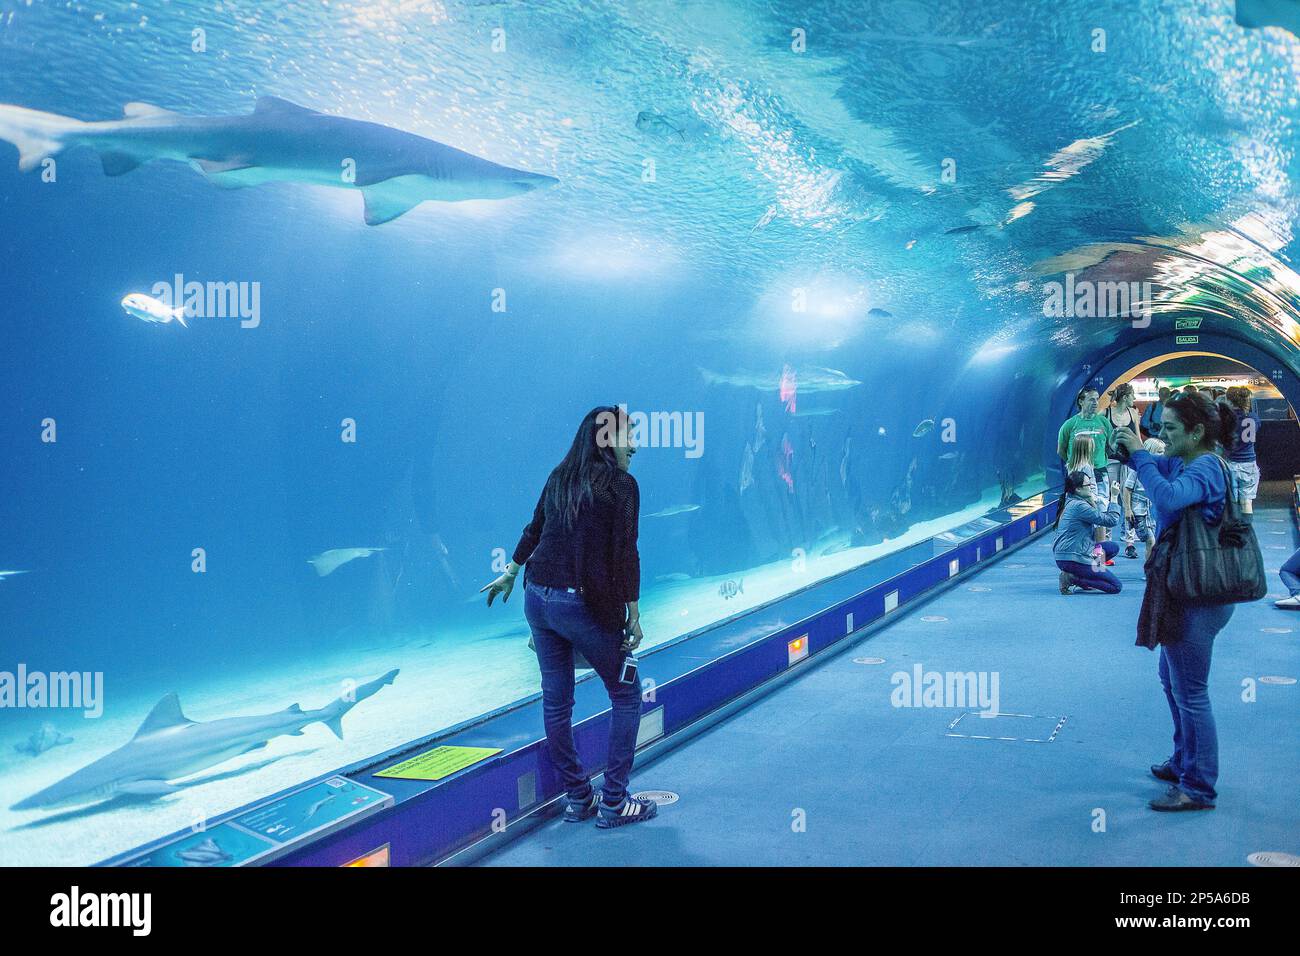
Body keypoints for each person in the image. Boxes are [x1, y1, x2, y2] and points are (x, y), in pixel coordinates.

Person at [481, 405, 658, 828]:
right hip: (578, 603)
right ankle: (614, 801)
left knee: (557, 701)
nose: (634, 444)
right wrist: (631, 613)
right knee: (627, 694)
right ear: (604, 438)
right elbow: (625, 553)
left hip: (537, 599)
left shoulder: (560, 476)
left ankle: (580, 798)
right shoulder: (621, 485)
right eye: (627, 435)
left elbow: (535, 528)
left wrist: (510, 571)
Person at [1114, 391, 1237, 812]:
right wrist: (1135, 451)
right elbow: (1162, 470)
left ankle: (1198, 786)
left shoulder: (1204, 467)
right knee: (1172, 679)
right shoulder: (1189, 461)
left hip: (1197, 594)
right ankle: (1185, 760)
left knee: (1191, 692)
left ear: (1197, 431)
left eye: (1169, 429)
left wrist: (1142, 458)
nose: (1160, 436)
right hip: (1189, 589)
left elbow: (1166, 497)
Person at [1053, 469, 1123, 594]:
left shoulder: (1073, 501)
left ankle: (1092, 572)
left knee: (1112, 547)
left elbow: (1098, 520)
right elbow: (1111, 520)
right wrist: (1114, 497)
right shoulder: (1080, 506)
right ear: (1078, 489)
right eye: (1088, 485)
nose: (1091, 487)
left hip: (1072, 552)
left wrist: (1091, 501)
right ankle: (1074, 578)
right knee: (1115, 586)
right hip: (1073, 558)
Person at [1121, 438, 1165, 560]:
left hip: (1153, 513)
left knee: (1155, 543)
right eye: (1160, 451)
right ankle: (1150, 572)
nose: (1163, 454)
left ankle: (1151, 571)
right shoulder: (1137, 469)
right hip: (1139, 512)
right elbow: (1127, 489)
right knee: (1150, 541)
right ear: (1151, 452)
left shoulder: (1160, 470)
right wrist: (1128, 510)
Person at [1223, 386, 1261, 516]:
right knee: (1247, 502)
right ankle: (1247, 530)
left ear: (1229, 401)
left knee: (1232, 502)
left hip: (1231, 464)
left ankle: (1234, 532)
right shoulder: (1254, 418)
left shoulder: (1226, 419)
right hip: (1249, 464)